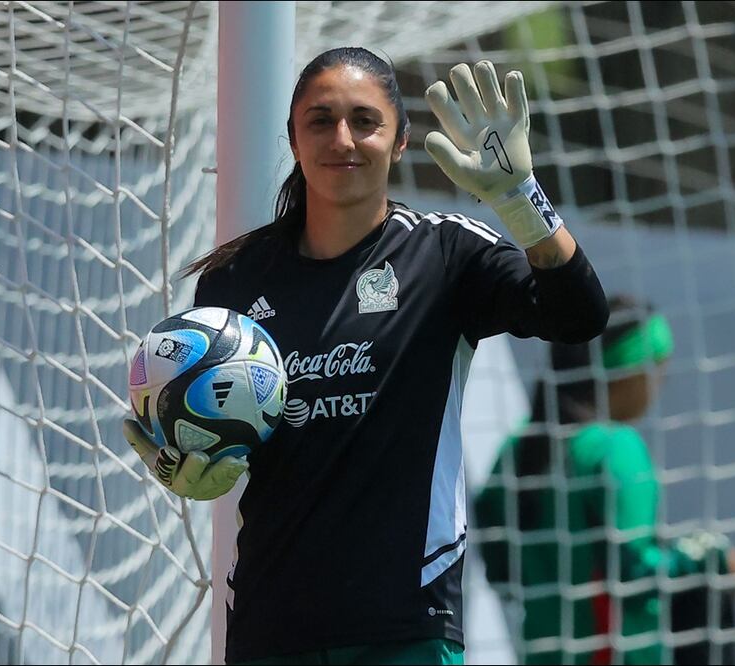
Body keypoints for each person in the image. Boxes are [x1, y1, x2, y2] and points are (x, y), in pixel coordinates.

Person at [123, 47, 609, 664]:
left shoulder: (445, 255)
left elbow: (579, 316)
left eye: (364, 120)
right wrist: (201, 459)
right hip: (272, 624)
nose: (342, 139)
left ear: (400, 140)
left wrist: (521, 198)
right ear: (294, 140)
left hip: (406, 626)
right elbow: (236, 433)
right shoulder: (235, 279)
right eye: (320, 120)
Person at [474, 295, 735, 665]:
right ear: (631, 371)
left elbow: (498, 561)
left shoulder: (518, 446)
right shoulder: (615, 448)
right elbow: (633, 573)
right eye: (659, 371)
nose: (661, 386)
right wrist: (708, 557)